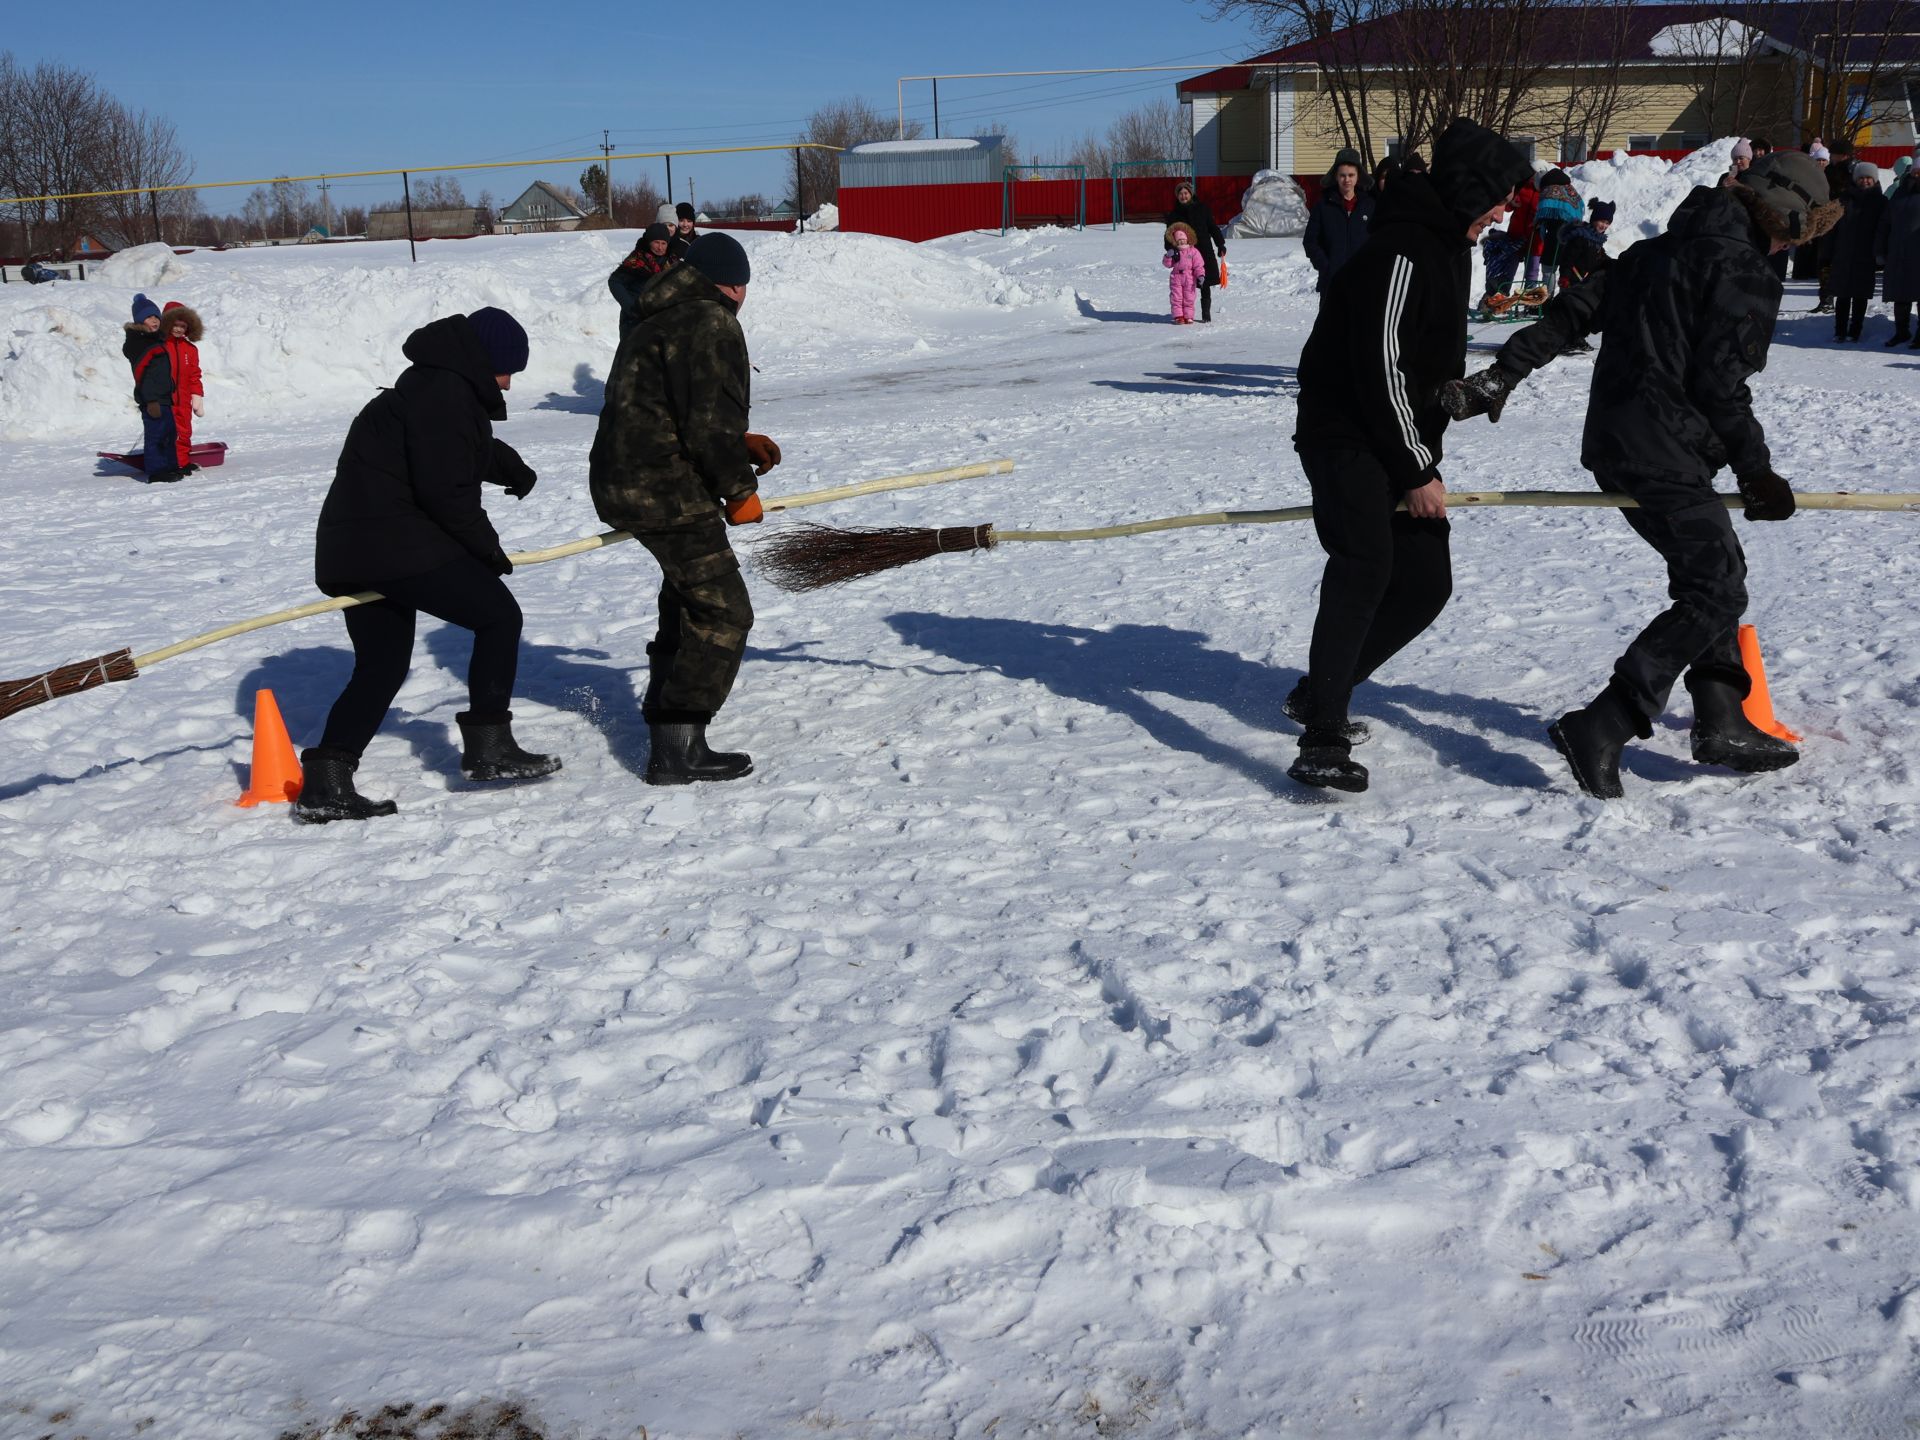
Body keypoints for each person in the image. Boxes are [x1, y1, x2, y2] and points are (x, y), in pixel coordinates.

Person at [1443, 151, 1844, 799]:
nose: (1785, 247)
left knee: (1717, 570)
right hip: (1666, 451)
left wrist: (1502, 374)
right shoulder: (1742, 268)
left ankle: (1720, 720)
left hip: (1616, 442)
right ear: (1786, 220)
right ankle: (1605, 722)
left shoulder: (1654, 251)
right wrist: (1758, 474)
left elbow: (1572, 313)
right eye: (1794, 234)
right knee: (1715, 590)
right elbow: (1720, 389)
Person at [1285, 118, 1534, 792]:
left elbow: (1418, 363)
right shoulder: (1400, 249)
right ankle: (1323, 737)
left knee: (1425, 582)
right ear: (1470, 189)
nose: (1504, 209)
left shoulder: (1451, 247)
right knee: (1365, 564)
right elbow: (1379, 366)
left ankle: (1319, 692)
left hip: (1397, 436)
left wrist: (1454, 396)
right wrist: (1416, 469)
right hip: (1346, 432)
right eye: (1500, 195)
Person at [295, 307, 559, 823]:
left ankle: (326, 782)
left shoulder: (429, 386)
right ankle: (489, 746)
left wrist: (512, 469)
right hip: (392, 545)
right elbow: (447, 491)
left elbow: (462, 450)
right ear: (484, 361)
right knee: (497, 616)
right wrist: (487, 551)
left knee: (383, 664)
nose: (507, 382)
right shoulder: (445, 394)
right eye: (506, 370)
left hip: (352, 549)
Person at [589, 232, 781, 785]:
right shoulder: (711, 319)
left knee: (685, 598)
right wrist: (739, 490)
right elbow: (707, 423)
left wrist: (735, 443)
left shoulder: (655, 314)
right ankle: (678, 742)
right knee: (723, 610)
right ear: (735, 286)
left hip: (624, 480)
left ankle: (664, 717)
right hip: (665, 490)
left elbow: (662, 406)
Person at [121, 293, 186, 483]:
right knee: (156, 435)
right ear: (140, 320)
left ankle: (170, 466)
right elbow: (144, 376)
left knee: (169, 433)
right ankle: (157, 471)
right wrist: (151, 400)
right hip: (153, 400)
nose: (155, 321)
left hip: (164, 398)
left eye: (156, 316)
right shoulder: (140, 343)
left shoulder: (156, 340)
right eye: (149, 317)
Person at [1302, 149, 1377, 295]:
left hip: (1362, 284)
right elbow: (1310, 242)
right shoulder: (1323, 206)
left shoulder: (1369, 206)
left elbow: (1377, 241)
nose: (1347, 180)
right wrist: (1326, 266)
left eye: (1351, 175)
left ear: (1358, 177)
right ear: (1336, 176)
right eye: (1342, 175)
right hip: (1331, 283)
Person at [1829, 160, 1887, 342]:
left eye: (1869, 178)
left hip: (1866, 254)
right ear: (1855, 179)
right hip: (1844, 253)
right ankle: (1839, 331)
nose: (1865, 181)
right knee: (1843, 294)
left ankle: (1855, 331)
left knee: (1860, 296)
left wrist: (1879, 251)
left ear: (1875, 180)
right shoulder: (1844, 200)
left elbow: (1884, 228)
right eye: (1861, 178)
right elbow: (1833, 228)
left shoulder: (1881, 201)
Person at [1163, 180, 1226, 322]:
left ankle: (1206, 314)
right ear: (1177, 196)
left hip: (1203, 249)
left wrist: (1220, 244)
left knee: (1205, 282)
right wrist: (1171, 249)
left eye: (1186, 193)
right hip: (1184, 255)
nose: (1183, 196)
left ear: (1190, 194)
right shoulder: (1174, 214)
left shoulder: (1202, 208)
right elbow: (1168, 235)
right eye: (1180, 194)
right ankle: (1185, 315)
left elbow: (1213, 227)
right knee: (1185, 287)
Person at [1878, 152, 1920, 347]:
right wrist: (1880, 249)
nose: (1917, 175)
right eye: (1916, 172)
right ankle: (1901, 331)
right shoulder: (1899, 192)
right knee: (1900, 295)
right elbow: (1885, 222)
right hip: (1898, 251)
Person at [160, 301, 206, 474]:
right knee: (167, 432)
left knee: (184, 431)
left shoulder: (190, 349)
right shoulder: (160, 346)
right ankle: (167, 463)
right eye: (175, 325)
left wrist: (197, 395)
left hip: (184, 399)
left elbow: (195, 374)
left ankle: (182, 461)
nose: (179, 329)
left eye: (183, 326)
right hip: (165, 399)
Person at [609, 222, 675, 341]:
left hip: (661, 322)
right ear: (649, 242)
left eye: (663, 243)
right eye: (656, 242)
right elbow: (614, 282)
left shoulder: (671, 263)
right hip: (634, 323)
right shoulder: (636, 260)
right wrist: (632, 308)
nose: (660, 247)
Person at [1163, 221, 1207, 323]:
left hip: (1189, 277)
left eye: (1183, 240)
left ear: (1187, 239)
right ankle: (1178, 316)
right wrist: (1168, 256)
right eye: (1179, 240)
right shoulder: (1175, 251)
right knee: (1176, 297)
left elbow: (1198, 265)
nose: (1181, 242)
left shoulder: (1193, 251)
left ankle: (1188, 316)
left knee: (1189, 297)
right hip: (1176, 277)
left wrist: (1200, 275)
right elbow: (1168, 264)